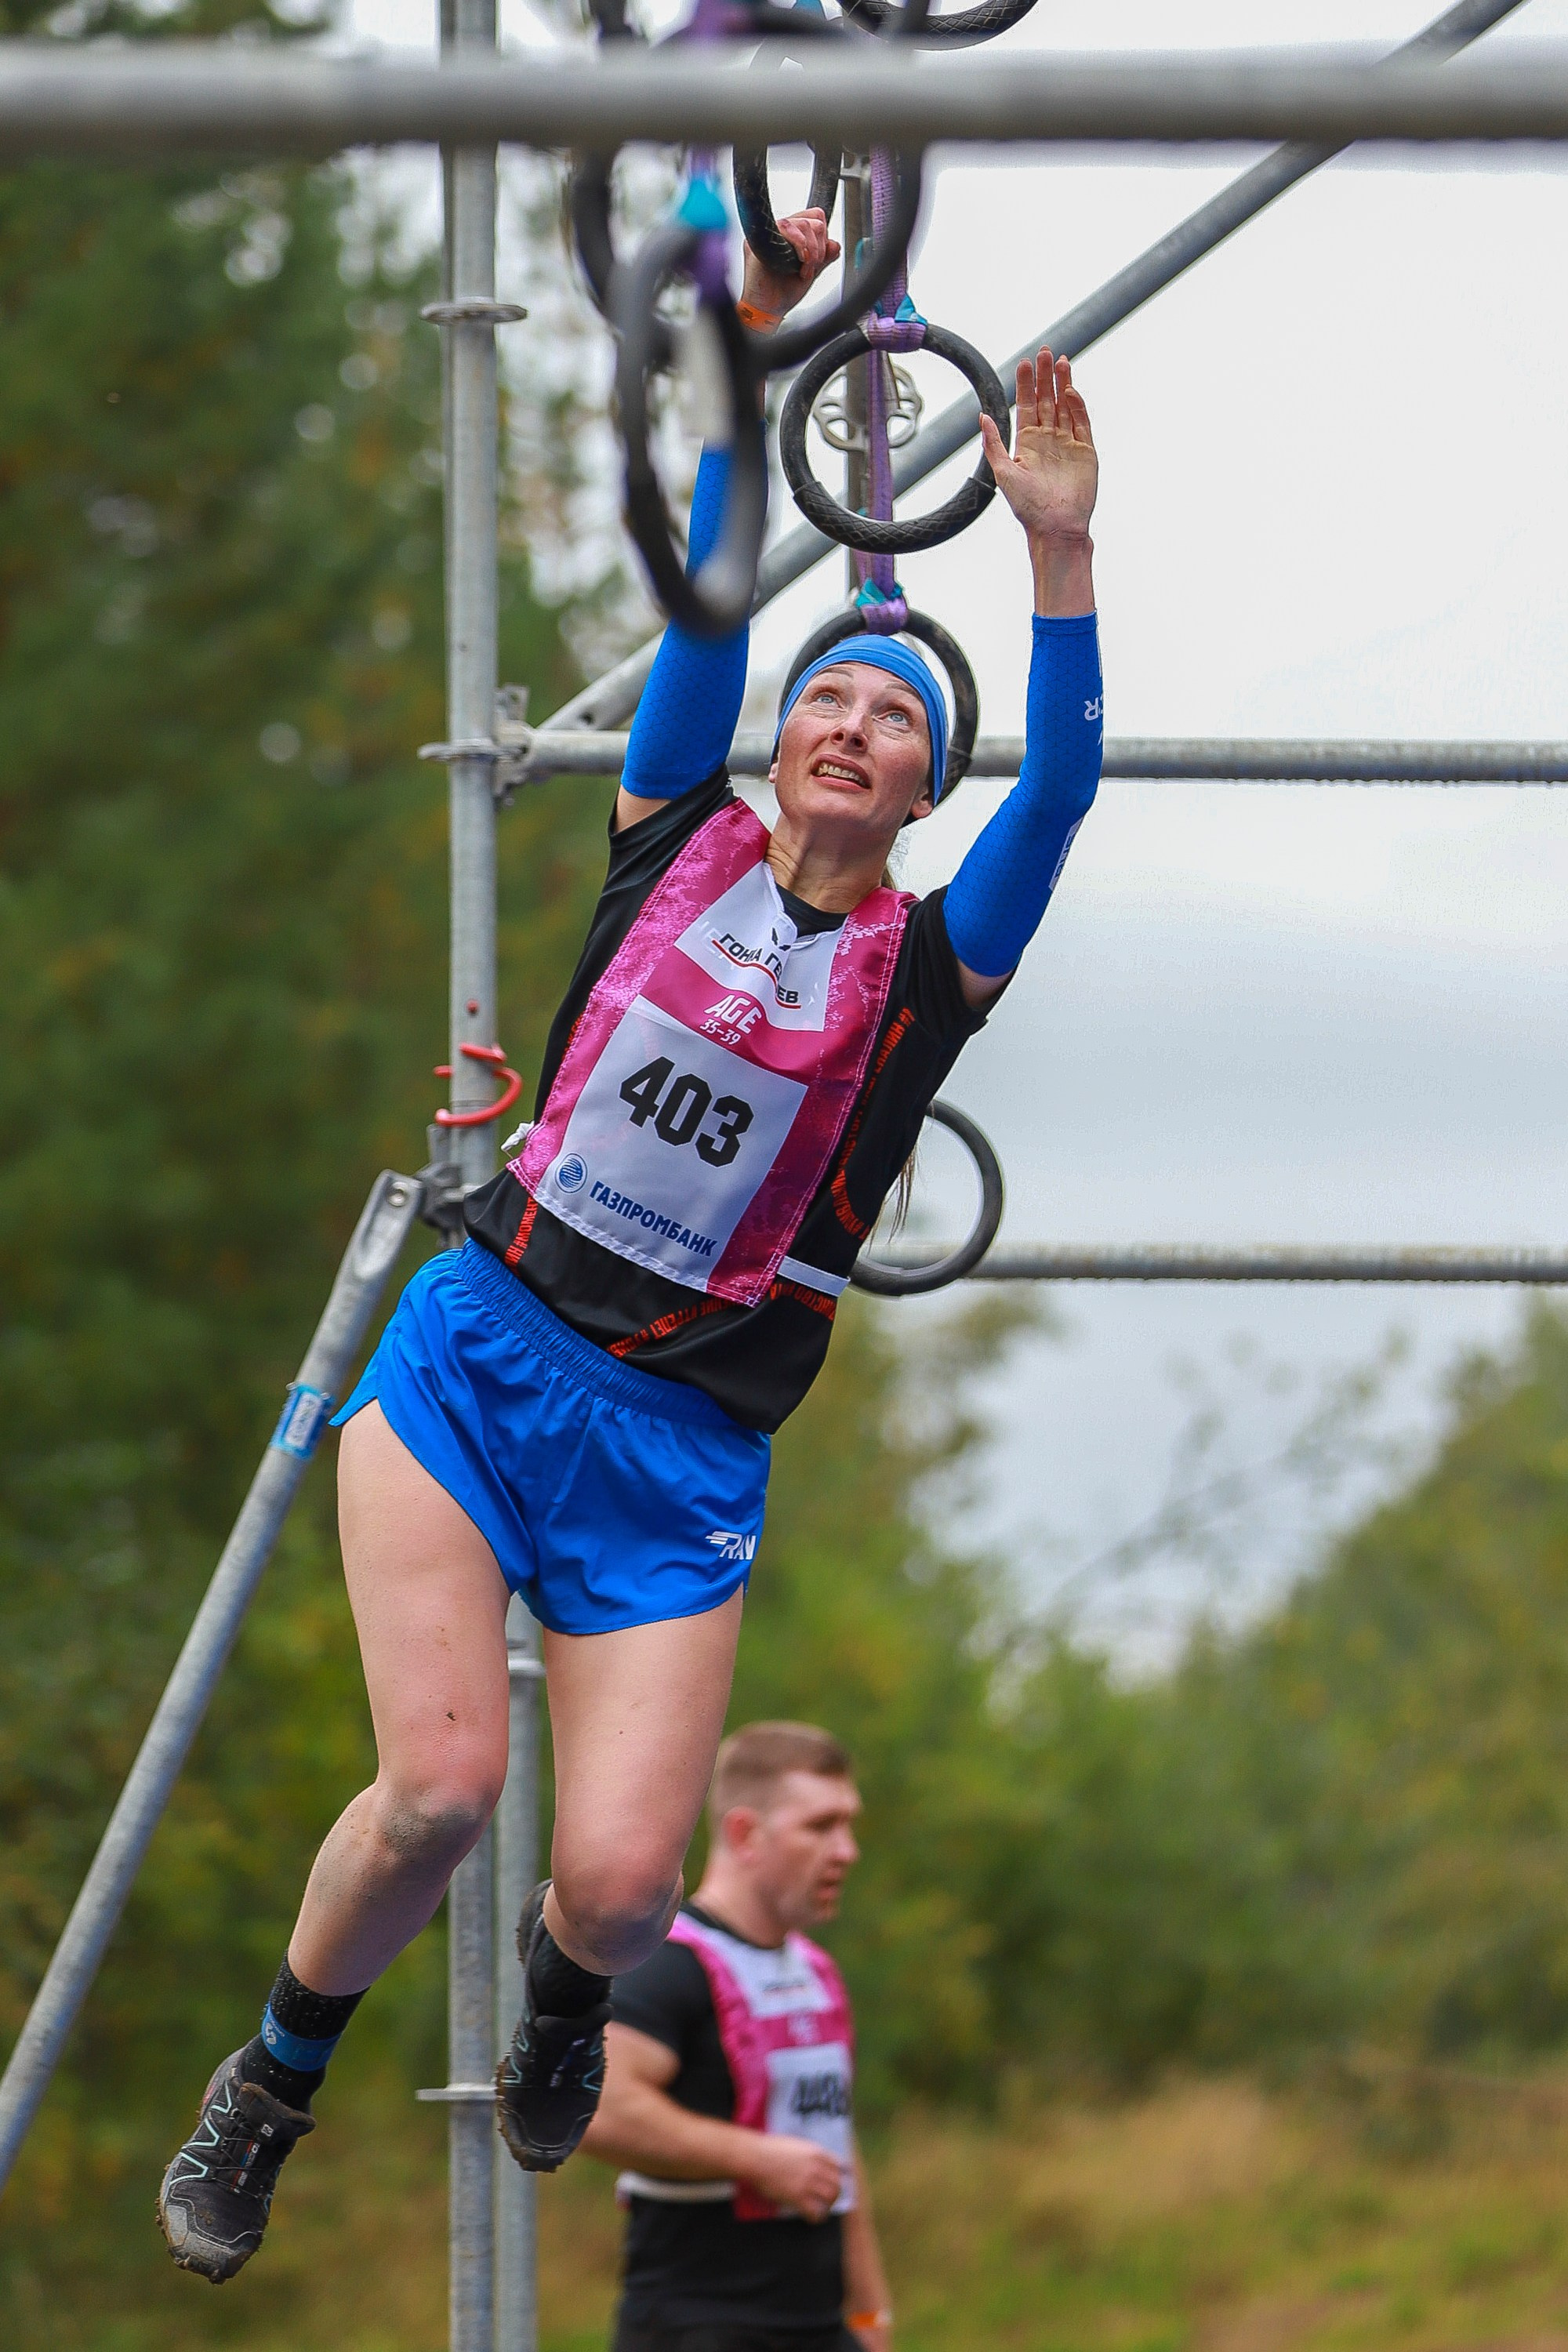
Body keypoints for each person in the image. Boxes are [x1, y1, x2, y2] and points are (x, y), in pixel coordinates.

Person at [157, 202, 1102, 2284]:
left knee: (609, 1879)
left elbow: (1074, 793)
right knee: (436, 1795)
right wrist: (754, 379)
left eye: (899, 724)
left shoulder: (928, 974)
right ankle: (273, 2082)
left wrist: (1054, 559)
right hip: (482, 1359)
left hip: (678, 1455)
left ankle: (567, 2005)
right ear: (776, 744)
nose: (856, 726)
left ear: (931, 788)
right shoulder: (673, 822)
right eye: (828, 702)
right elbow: (701, 590)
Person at [582, 1722, 890, 2352]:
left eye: (849, 1825)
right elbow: (595, 2109)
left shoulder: (813, 1969)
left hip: (818, 2327)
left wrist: (869, 2316)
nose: (847, 1850)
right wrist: (756, 2159)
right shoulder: (669, 1962)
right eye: (821, 1826)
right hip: (700, 2326)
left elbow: (833, 2141)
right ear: (745, 1833)